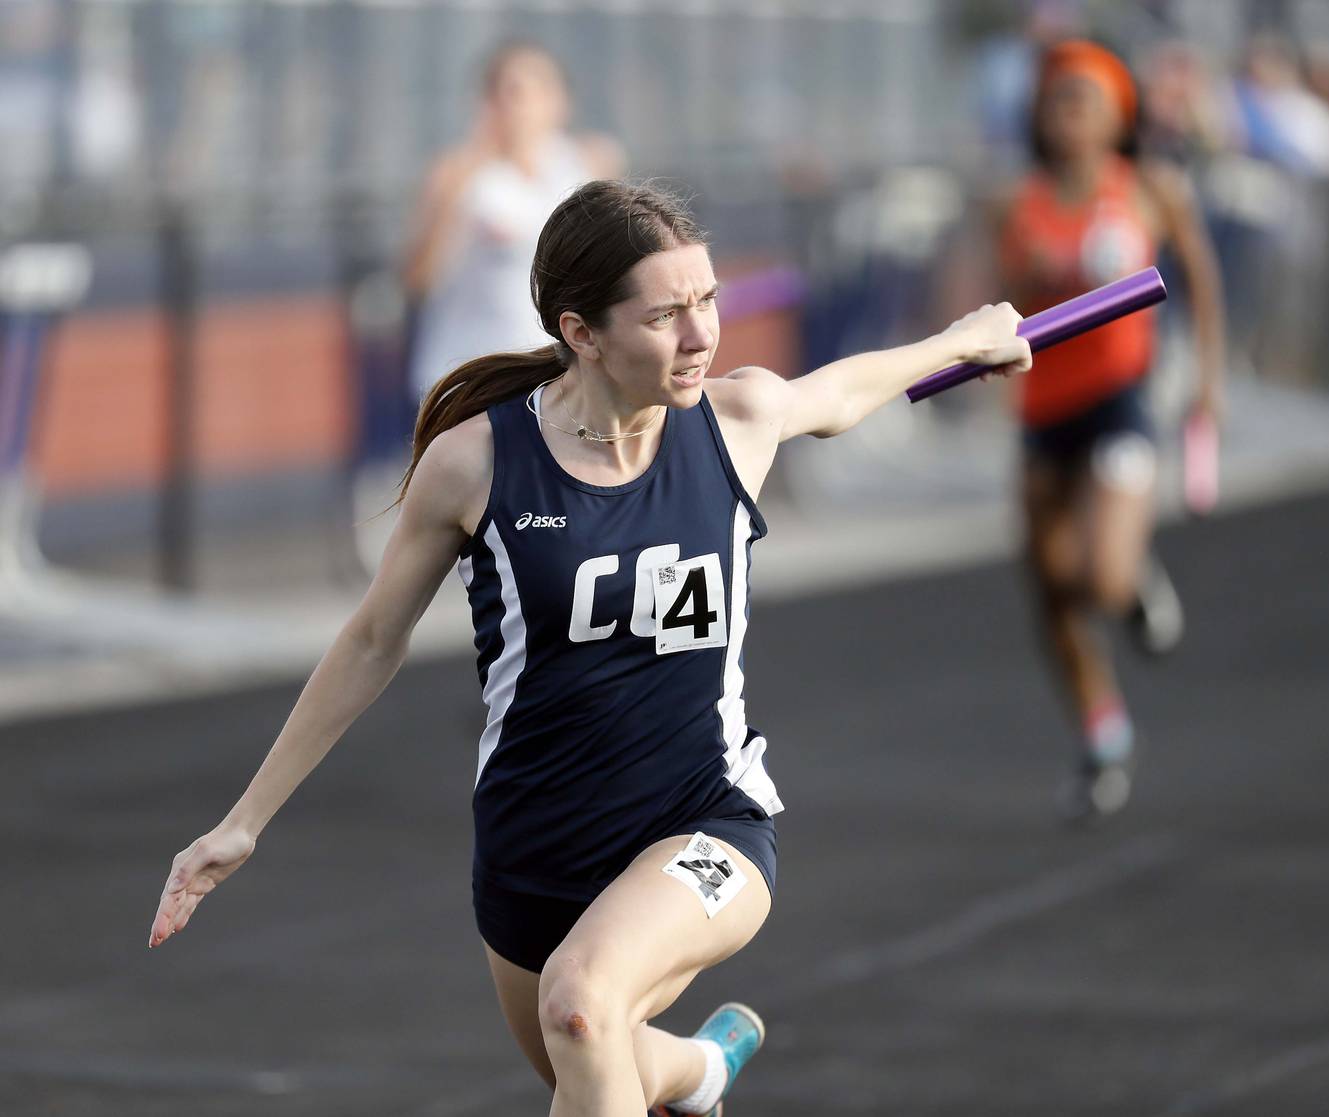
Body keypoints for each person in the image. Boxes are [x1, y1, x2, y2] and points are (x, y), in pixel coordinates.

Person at [149, 180, 1031, 1116]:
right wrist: (244, 820)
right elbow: (371, 638)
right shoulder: (475, 464)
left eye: (708, 302)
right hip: (533, 859)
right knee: (595, 1050)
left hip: (705, 826)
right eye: (665, 315)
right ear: (583, 332)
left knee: (583, 1006)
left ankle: (685, 1066)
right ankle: (698, 1069)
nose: (701, 337)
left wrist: (965, 342)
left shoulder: (736, 424)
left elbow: (844, 392)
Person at [995, 40, 1225, 821]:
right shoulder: (1015, 204)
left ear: (1117, 112)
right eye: (1057, 100)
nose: (1069, 115)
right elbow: (983, 302)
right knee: (1051, 585)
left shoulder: (1150, 189)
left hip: (1120, 399)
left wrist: (1207, 384)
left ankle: (1133, 587)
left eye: (1085, 100)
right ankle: (1102, 733)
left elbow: (1199, 276)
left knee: (1101, 574)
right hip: (1041, 412)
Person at [404, 41, 625, 403]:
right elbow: (418, 280)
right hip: (473, 378)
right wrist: (449, 200)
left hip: (557, 375)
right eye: (500, 92)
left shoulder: (587, 164)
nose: (512, 106)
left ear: (559, 101)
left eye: (525, 92)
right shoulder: (459, 174)